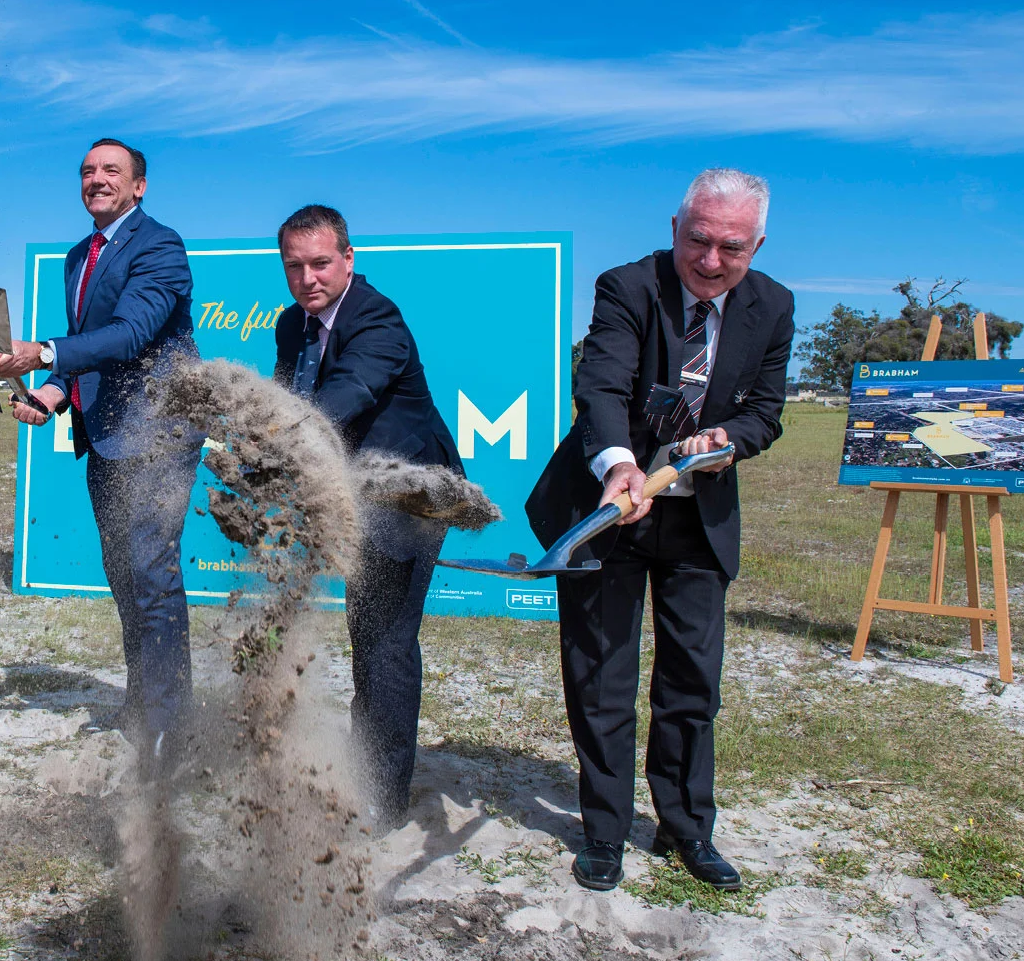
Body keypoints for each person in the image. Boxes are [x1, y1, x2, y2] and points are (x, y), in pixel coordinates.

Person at [526, 168, 794, 893]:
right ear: (675, 228)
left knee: (691, 685)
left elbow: (766, 409)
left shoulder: (773, 307)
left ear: (757, 245)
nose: (710, 261)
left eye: (731, 248)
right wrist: (618, 466)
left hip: (698, 520)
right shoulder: (629, 287)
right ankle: (605, 833)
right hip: (612, 513)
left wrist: (729, 440)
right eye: (698, 240)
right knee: (602, 679)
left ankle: (685, 829)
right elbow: (603, 383)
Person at [0, 138, 201, 768]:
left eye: (112, 171)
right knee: (124, 575)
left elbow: (133, 333)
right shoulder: (77, 255)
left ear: (139, 187)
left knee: (152, 574)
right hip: (106, 433)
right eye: (87, 171)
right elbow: (92, 347)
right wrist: (52, 393)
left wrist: (44, 352)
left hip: (159, 433)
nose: (97, 179)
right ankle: (143, 704)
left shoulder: (160, 246)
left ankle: (172, 728)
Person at [270, 204, 464, 825]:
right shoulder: (290, 326)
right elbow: (288, 400)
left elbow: (346, 394)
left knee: (384, 641)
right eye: (295, 266)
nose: (309, 279)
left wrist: (282, 438)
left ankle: (380, 801)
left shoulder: (378, 318)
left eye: (321, 263)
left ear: (348, 259)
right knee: (366, 631)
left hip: (410, 493)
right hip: (354, 494)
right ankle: (365, 767)